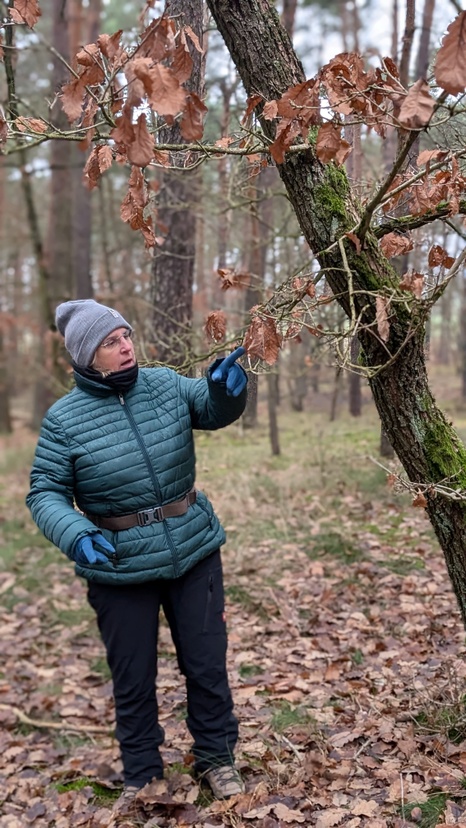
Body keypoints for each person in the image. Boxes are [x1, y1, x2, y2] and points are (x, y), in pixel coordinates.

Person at [26, 299, 248, 810]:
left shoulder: (167, 385)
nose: (125, 347)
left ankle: (217, 758)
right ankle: (143, 772)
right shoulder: (63, 421)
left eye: (125, 335)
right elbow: (45, 492)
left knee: (207, 663)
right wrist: (74, 532)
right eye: (110, 342)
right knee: (133, 675)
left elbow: (213, 410)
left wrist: (225, 391)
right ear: (86, 357)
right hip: (118, 564)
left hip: (192, 550)